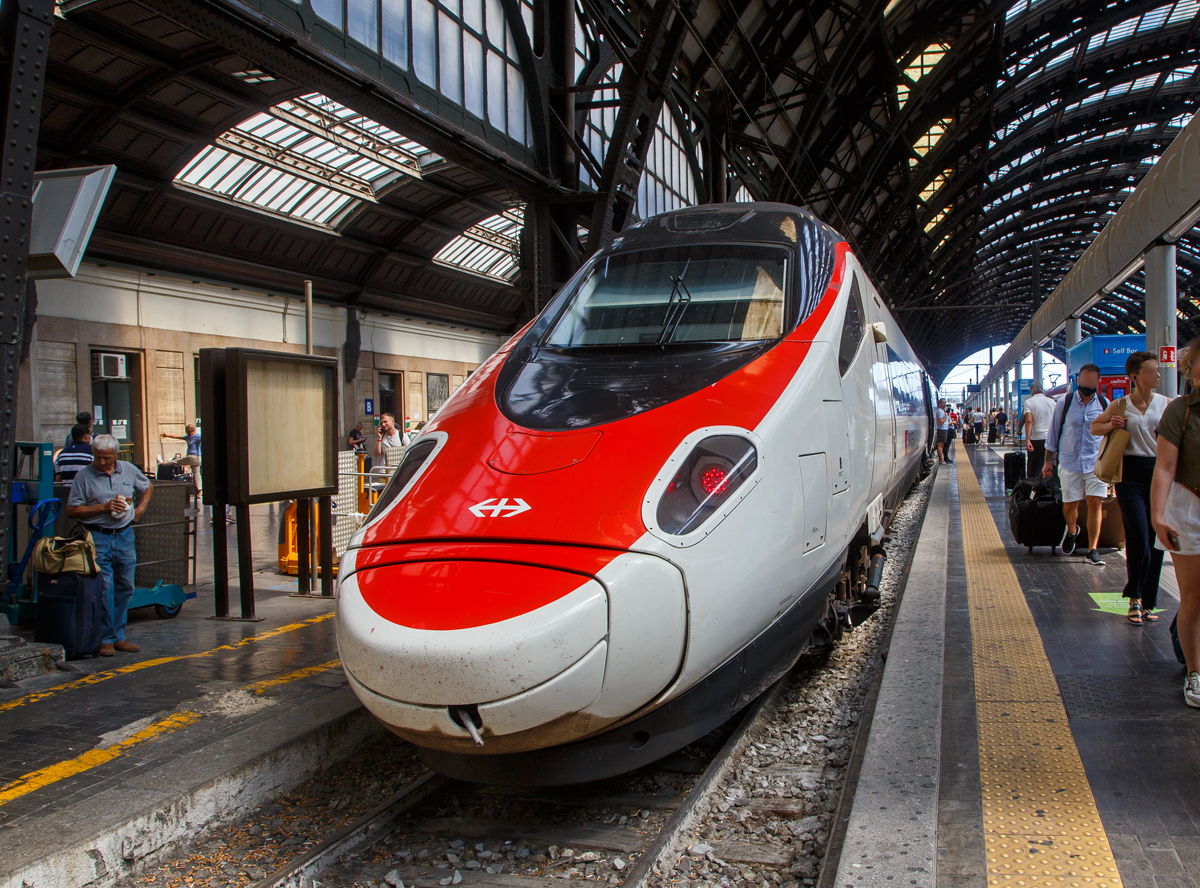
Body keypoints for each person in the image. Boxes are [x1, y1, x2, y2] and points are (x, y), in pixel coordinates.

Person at [1091, 352, 1169, 625]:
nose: (1157, 375)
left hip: (1159, 475)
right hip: (1129, 477)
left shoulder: (1166, 405)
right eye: (1151, 371)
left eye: (1157, 370)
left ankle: (1148, 602)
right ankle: (1134, 597)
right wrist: (1110, 424)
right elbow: (1094, 427)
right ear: (1135, 376)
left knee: (1156, 541)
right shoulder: (1121, 404)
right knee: (1138, 536)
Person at [66, 435, 153, 656]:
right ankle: (106, 639)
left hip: (124, 535)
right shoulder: (84, 476)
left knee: (125, 587)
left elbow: (148, 486)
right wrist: (103, 508)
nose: (101, 462)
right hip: (98, 537)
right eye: (97, 457)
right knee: (104, 589)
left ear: (116, 456)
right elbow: (72, 510)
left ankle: (119, 636)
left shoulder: (128, 469)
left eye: (106, 458)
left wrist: (140, 510)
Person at [1151, 334, 1200, 708]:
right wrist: (1157, 515)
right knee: (1193, 599)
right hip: (1189, 509)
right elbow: (1165, 468)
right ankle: (1194, 673)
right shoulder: (1180, 410)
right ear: (1191, 369)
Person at [1044, 363, 1108, 565]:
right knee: (1070, 504)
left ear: (1098, 382)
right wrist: (1047, 460)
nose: (1087, 383)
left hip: (1095, 463)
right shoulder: (1065, 402)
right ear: (1078, 380)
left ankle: (1092, 549)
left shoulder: (1105, 404)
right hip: (1069, 461)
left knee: (1094, 503)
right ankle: (1072, 531)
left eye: (1092, 380)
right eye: (1084, 379)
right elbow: (1053, 432)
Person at [1023, 383, 1056, 478]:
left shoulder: (1029, 402)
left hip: (1036, 439)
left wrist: (1028, 439)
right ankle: (1050, 487)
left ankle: (1034, 487)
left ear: (1031, 391)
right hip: (1051, 439)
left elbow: (1029, 421)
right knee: (1050, 464)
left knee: (1034, 466)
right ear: (1042, 390)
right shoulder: (1052, 402)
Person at [159, 424, 201, 494]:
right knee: (196, 474)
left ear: (189, 430)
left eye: (186, 429)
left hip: (193, 457)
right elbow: (178, 436)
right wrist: (167, 435)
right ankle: (199, 491)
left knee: (177, 461)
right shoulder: (188, 437)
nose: (185, 431)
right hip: (197, 458)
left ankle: (163, 463)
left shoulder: (197, 437)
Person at [935, 398, 952, 464]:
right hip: (942, 430)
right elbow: (940, 422)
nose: (944, 404)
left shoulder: (942, 411)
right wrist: (945, 417)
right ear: (939, 403)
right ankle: (941, 460)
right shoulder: (940, 411)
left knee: (942, 445)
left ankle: (942, 460)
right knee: (940, 445)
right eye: (942, 402)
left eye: (945, 402)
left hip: (944, 429)